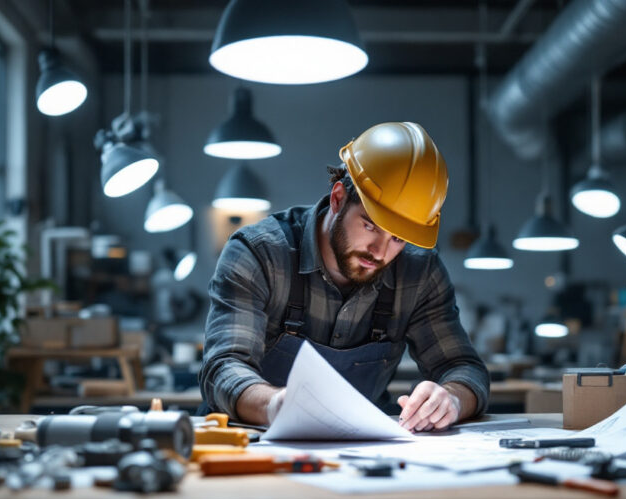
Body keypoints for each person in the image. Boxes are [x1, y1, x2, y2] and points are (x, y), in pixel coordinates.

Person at [199, 121, 489, 431]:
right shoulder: (258, 254)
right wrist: (277, 405)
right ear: (338, 198)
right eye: (370, 226)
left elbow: (463, 368)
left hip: (365, 451)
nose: (380, 252)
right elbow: (223, 368)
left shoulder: (419, 274)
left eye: (398, 238)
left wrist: (451, 399)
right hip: (254, 445)